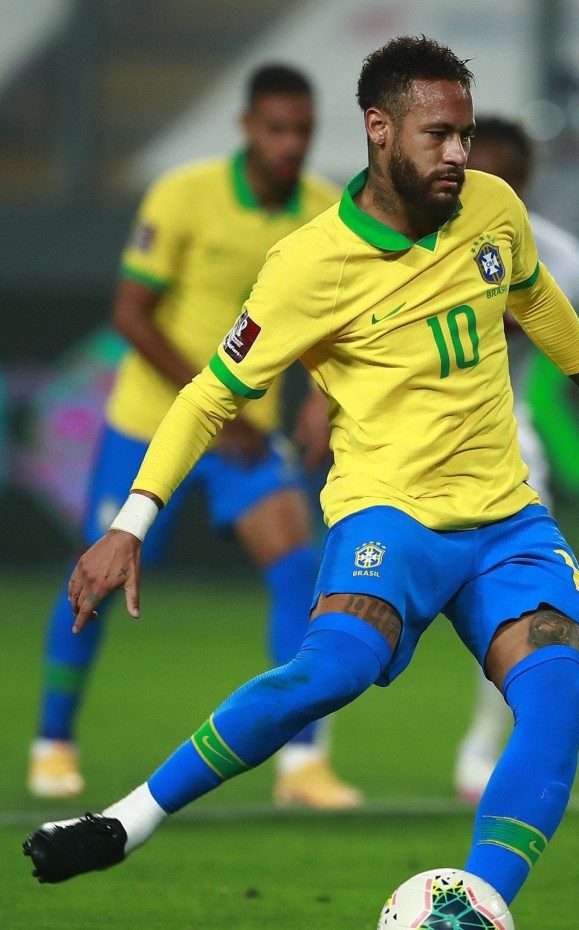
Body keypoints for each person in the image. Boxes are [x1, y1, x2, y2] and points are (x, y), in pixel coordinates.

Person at [24, 37, 579, 923]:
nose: (458, 154)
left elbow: (537, 297)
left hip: (507, 519)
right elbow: (210, 395)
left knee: (560, 689)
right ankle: (126, 822)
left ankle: (476, 905)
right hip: (389, 518)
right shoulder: (309, 264)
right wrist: (129, 523)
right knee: (331, 671)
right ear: (379, 128)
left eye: (466, 134)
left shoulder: (493, 208)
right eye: (438, 135)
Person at [28, 63, 362, 811]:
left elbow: (333, 323)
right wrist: (215, 404)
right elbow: (131, 314)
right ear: (246, 127)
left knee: (299, 574)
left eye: (303, 130)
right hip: (153, 427)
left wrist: (323, 402)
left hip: (248, 439)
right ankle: (53, 741)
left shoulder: (322, 210)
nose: (291, 143)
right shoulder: (183, 194)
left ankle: (303, 762)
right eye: (276, 128)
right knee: (96, 577)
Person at [453, 116, 579, 804]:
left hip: (506, 438)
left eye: (506, 177)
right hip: (398, 442)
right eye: (478, 173)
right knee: (364, 616)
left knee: (517, 603)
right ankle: (308, 755)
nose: (489, 187)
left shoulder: (558, 259)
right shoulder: (415, 239)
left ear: (527, 184)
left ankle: (482, 750)